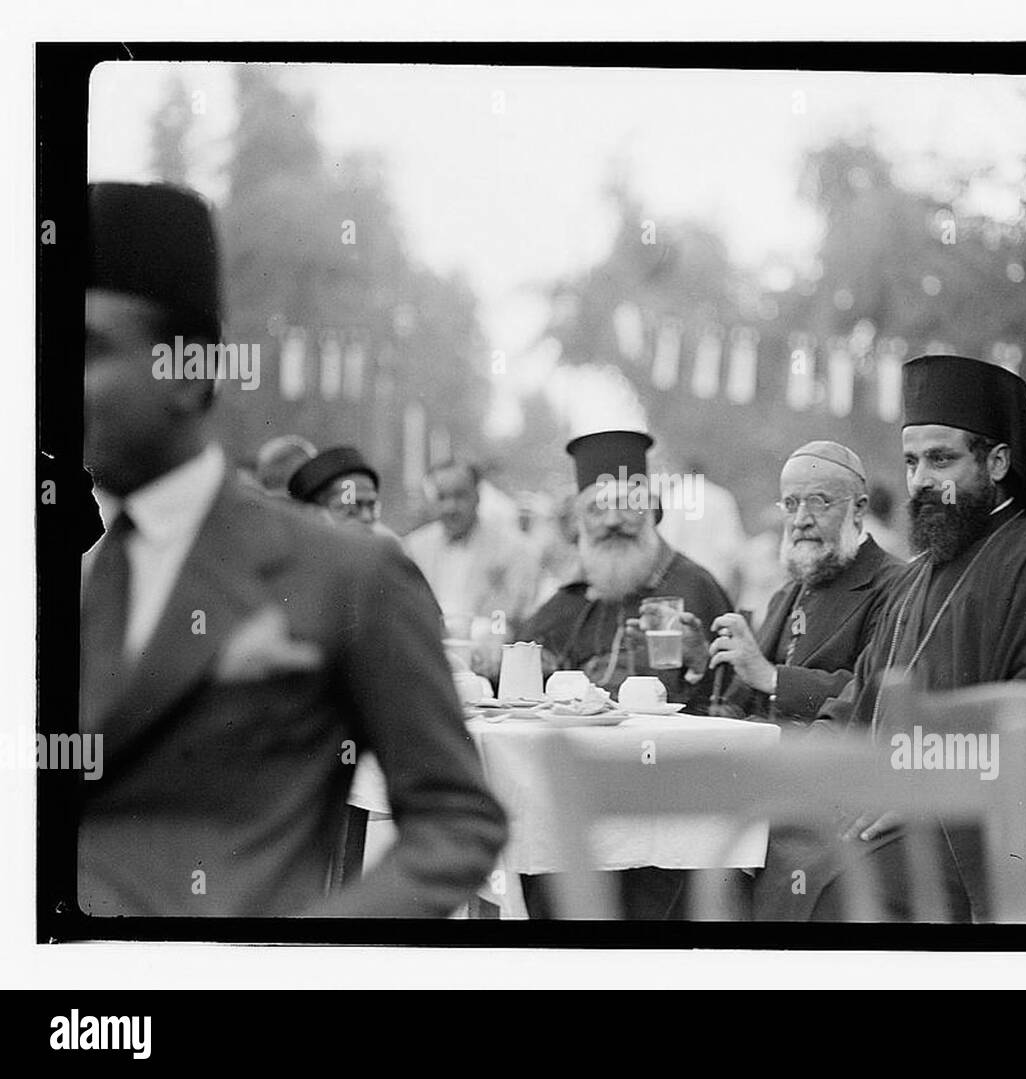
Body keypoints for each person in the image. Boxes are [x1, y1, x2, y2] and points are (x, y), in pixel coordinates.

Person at [79, 182, 506, 917]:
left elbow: (457, 819)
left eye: (89, 349)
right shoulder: (64, 575)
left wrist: (310, 951)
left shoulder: (347, 575)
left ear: (189, 370)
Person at [757, 354, 1026, 923]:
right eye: (910, 462)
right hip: (902, 806)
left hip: (1002, 835)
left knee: (836, 889)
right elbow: (862, 698)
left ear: (999, 460)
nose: (920, 481)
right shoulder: (922, 573)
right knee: (762, 844)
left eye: (941, 459)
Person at [520, 430, 733, 715]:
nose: (612, 521)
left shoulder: (695, 587)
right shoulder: (569, 599)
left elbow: (735, 698)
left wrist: (699, 664)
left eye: (627, 506)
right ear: (579, 522)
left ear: (652, 512)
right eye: (597, 509)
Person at [710, 441, 904, 725]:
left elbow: (872, 693)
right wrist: (700, 664)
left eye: (818, 502)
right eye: (790, 504)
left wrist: (774, 678)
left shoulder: (895, 585)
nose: (800, 520)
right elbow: (745, 694)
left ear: (859, 509)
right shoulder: (787, 592)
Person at [404, 459, 540, 639]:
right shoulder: (415, 547)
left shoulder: (510, 548)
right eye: (442, 497)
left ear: (477, 496)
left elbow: (509, 614)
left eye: (460, 496)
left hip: (485, 648)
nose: (450, 507)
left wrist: (493, 634)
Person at [657, 457, 747, 599]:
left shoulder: (672, 497)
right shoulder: (721, 497)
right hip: (715, 580)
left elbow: (667, 539)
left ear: (684, 472)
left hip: (677, 580)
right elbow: (730, 547)